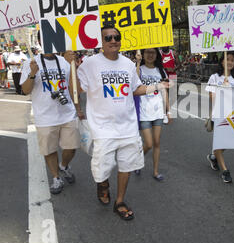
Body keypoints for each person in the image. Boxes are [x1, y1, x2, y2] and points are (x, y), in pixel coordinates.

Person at [74, 26, 169, 221]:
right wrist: (70, 67)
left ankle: (120, 201)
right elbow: (76, 90)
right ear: (101, 41)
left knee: (126, 165)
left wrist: (158, 86)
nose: (113, 40)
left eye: (116, 37)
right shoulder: (90, 64)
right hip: (103, 128)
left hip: (128, 127)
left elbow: (135, 89)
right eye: (108, 37)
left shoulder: (127, 64)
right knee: (101, 170)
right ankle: (102, 184)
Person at [20, 49, 79, 194]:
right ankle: (56, 177)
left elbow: (73, 86)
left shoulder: (64, 61)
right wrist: (33, 73)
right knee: (50, 150)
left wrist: (79, 108)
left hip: (67, 113)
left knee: (72, 146)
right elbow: (25, 90)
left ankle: (64, 166)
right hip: (45, 116)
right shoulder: (30, 62)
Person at [206, 52, 234, 183]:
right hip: (219, 114)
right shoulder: (214, 77)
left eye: (232, 60)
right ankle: (225, 171)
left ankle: (213, 156)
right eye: (227, 59)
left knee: (230, 141)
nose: (229, 62)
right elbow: (211, 97)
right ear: (221, 61)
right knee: (220, 142)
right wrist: (223, 88)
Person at [137, 48, 171, 180]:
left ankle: (156, 172)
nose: (150, 55)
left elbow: (164, 92)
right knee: (149, 144)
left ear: (157, 55)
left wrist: (168, 110)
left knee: (157, 142)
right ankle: (138, 161)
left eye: (153, 52)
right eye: (147, 52)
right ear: (143, 54)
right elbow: (134, 84)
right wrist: (138, 63)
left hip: (158, 112)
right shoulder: (139, 69)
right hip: (143, 111)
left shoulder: (160, 71)